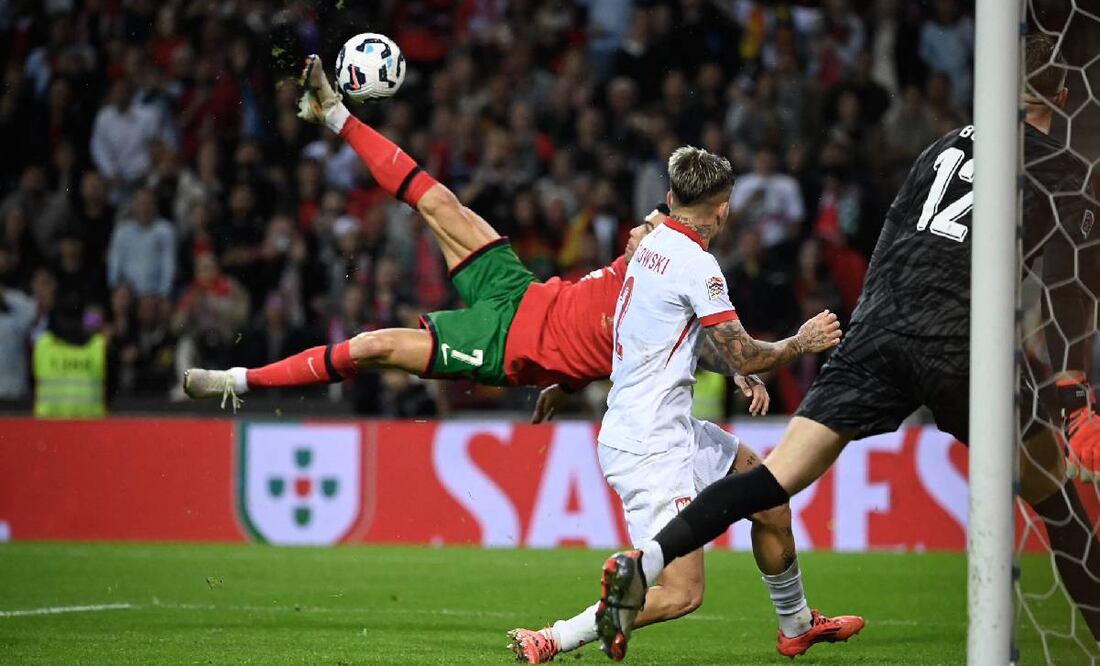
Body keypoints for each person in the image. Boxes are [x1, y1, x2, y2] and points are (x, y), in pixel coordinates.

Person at [183, 56, 863, 659]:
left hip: (520, 348)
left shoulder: (663, 253)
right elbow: (706, 334)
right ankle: (332, 114)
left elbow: (697, 342)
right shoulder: (669, 244)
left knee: (378, 345)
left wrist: (581, 372)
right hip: (527, 296)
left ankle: (795, 623)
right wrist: (772, 351)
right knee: (436, 201)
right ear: (711, 211)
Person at [592, 34, 1100, 659]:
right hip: (962, 339)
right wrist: (1072, 388)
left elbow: (890, 235)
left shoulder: (943, 147)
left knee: (774, 477)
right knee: (1056, 501)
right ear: (1069, 96)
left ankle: (648, 559)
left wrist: (870, 323)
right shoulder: (1066, 171)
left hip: (878, 330)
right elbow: (1069, 287)